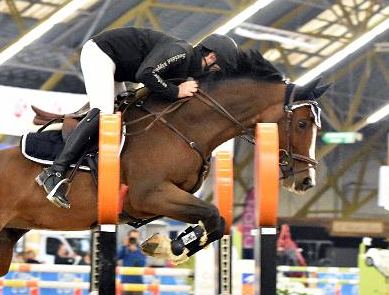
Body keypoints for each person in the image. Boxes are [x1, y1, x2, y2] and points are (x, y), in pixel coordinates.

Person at [35, 28, 240, 209]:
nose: (213, 74)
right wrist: (176, 91)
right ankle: (54, 172)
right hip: (101, 53)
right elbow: (146, 74)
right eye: (216, 69)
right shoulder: (181, 52)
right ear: (211, 57)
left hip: (118, 68)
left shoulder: (186, 67)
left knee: (123, 114)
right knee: (105, 113)